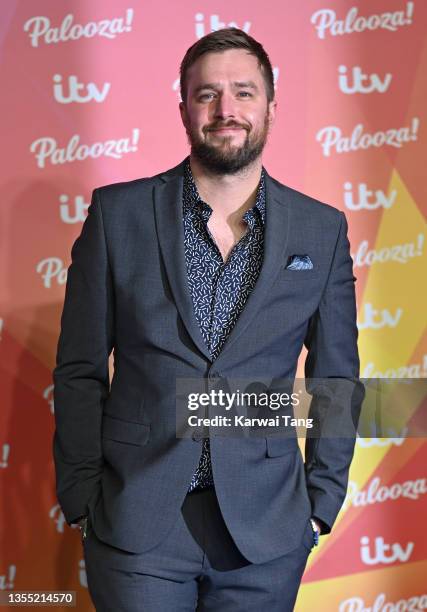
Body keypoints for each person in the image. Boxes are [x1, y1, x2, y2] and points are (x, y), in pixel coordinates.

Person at [53, 27, 363, 611]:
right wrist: (82, 498)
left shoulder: (321, 230)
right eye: (207, 95)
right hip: (136, 523)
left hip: (266, 530)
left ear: (271, 107)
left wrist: (320, 505)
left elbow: (336, 379)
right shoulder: (118, 216)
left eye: (244, 93)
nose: (227, 110)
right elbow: (79, 370)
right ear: (183, 109)